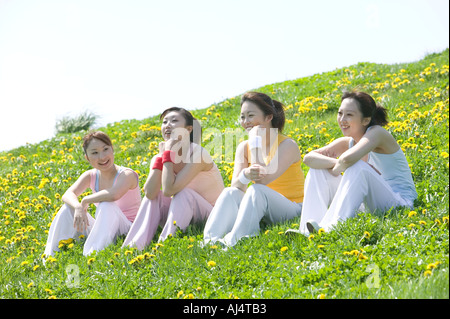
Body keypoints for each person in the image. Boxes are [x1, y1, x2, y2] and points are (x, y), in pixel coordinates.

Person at [290, 90, 417, 236]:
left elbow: (347, 160)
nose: (342, 119)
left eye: (349, 115)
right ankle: (307, 231)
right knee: (317, 171)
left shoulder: (377, 133)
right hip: (367, 204)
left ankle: (331, 229)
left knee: (357, 166)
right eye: (340, 113)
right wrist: (336, 164)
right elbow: (309, 158)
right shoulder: (347, 143)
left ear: (365, 120)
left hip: (399, 202)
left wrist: (341, 165)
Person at [203, 91, 305, 247]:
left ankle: (234, 241)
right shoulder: (243, 148)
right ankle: (210, 242)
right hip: (263, 207)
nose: (245, 122)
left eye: (250, 116)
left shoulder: (287, 145)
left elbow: (262, 180)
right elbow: (236, 186)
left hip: (292, 209)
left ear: (268, 117)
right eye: (242, 117)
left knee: (256, 190)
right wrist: (245, 174)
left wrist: (255, 141)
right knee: (229, 192)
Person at [122, 107, 224, 249]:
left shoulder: (198, 153)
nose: (168, 125)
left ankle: (164, 246)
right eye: (164, 122)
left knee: (183, 193)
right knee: (155, 196)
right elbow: (150, 193)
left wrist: (168, 154)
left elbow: (170, 190)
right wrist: (162, 158)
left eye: (174, 121)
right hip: (182, 213)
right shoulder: (161, 157)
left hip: (212, 215)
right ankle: (134, 247)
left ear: (188, 129)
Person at [43, 131, 141, 257]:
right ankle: (51, 256)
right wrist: (78, 207)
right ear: (87, 157)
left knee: (106, 205)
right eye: (94, 153)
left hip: (128, 229)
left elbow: (113, 194)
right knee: (67, 207)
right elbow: (68, 194)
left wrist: (85, 200)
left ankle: (92, 255)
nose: (102, 157)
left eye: (105, 149)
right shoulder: (91, 175)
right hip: (105, 229)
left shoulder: (127, 175)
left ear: (112, 150)